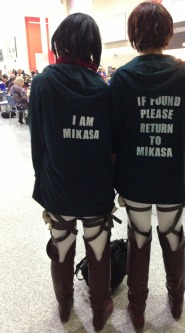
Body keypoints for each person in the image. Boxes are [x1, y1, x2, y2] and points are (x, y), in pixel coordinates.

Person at [110, 2, 185, 330]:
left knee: (139, 235)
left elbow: (114, 139)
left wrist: (115, 181)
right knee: (173, 233)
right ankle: (176, 299)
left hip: (134, 179)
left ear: (133, 34)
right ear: (168, 32)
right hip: (171, 180)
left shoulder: (122, 77)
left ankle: (137, 309)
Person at [29, 13, 115, 330]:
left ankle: (65, 306)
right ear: (93, 46)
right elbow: (111, 145)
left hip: (58, 188)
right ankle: (97, 308)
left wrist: (45, 183)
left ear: (60, 42)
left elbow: (38, 143)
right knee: (98, 249)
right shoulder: (104, 89)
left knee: (62, 249)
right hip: (96, 189)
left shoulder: (42, 83)